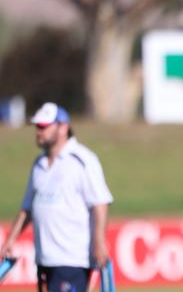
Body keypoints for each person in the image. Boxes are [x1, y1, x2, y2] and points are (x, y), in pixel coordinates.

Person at [0, 102, 113, 292]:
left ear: (63, 127)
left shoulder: (83, 160)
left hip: (73, 258)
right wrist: (11, 240)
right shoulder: (39, 165)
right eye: (37, 126)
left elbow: (100, 203)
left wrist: (99, 243)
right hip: (45, 258)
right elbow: (27, 208)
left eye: (44, 126)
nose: (38, 131)